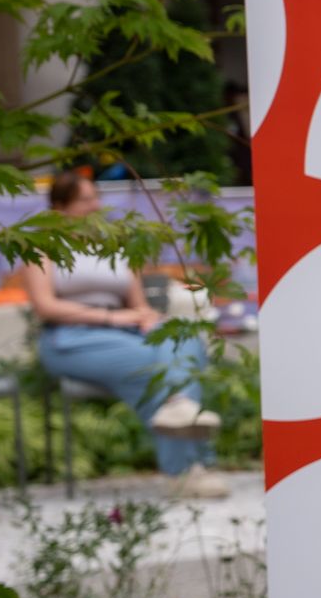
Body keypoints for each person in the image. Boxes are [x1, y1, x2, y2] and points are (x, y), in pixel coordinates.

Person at [20, 171, 222, 500]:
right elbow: (45, 307)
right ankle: (188, 469)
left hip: (126, 332)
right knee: (153, 365)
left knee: (184, 340)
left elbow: (138, 304)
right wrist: (111, 317)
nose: (95, 205)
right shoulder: (39, 247)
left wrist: (148, 319)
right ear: (59, 207)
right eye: (85, 200)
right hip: (71, 339)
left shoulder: (113, 245)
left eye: (95, 197)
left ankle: (181, 414)